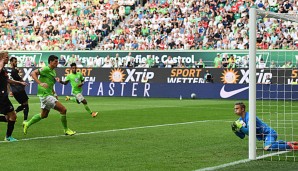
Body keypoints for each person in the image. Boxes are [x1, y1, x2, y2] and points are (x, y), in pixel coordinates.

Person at [23, 55, 76, 136]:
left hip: (47, 94)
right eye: (55, 61)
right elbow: (33, 73)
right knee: (63, 110)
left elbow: (50, 84)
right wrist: (40, 83)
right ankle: (66, 130)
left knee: (43, 115)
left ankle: (27, 124)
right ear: (50, 62)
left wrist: (54, 93)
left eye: (57, 61)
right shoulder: (46, 69)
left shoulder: (53, 71)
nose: (57, 63)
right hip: (45, 95)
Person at [232, 102, 298, 151]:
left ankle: (291, 146)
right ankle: (288, 142)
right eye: (235, 109)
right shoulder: (240, 120)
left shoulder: (250, 117)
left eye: (237, 108)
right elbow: (242, 136)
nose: (235, 110)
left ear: (243, 109)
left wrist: (240, 127)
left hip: (269, 133)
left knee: (268, 147)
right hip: (265, 136)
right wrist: (235, 131)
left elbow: (250, 132)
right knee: (269, 145)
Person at [0, 51, 27, 141]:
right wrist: (1, 62)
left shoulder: (3, 69)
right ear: (2, 58)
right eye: (6, 57)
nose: (8, 58)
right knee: (13, 117)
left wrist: (20, 82)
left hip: (3, 96)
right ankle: (8, 137)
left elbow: (8, 80)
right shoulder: (0, 67)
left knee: (9, 118)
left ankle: (8, 136)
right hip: (2, 96)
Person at [7, 56, 29, 124]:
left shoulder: (7, 70)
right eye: (15, 62)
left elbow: (7, 81)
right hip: (19, 89)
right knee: (26, 104)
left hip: (14, 90)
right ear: (11, 62)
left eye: (16, 61)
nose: (16, 63)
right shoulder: (14, 71)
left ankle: (15, 112)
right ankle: (25, 120)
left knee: (23, 104)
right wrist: (23, 83)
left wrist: (10, 91)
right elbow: (20, 80)